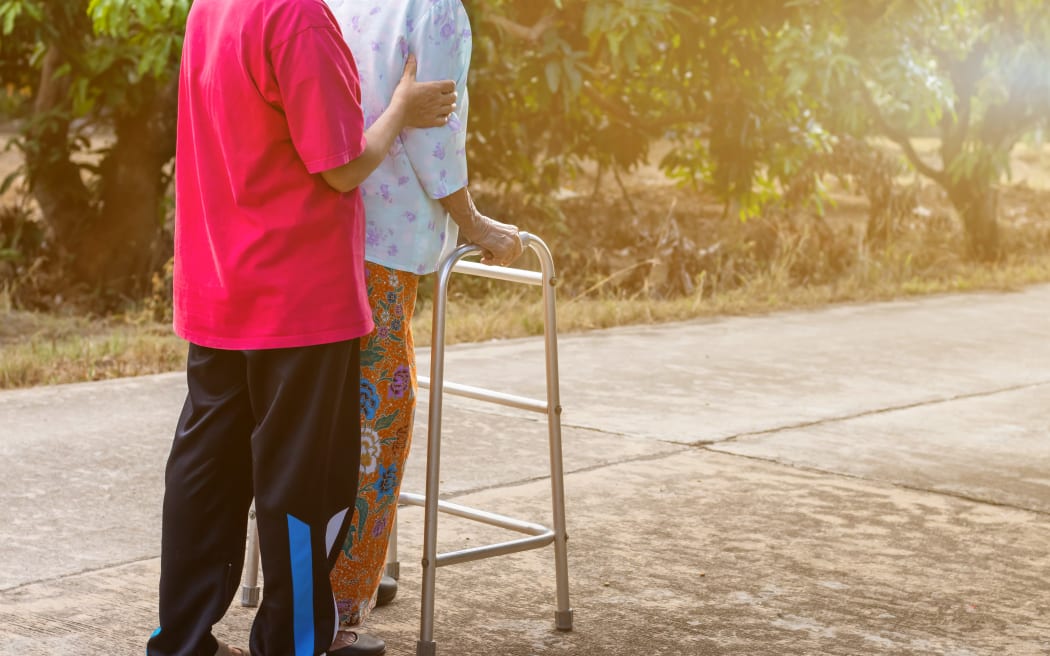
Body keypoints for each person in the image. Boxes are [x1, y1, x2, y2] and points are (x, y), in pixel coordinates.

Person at [146, 0, 457, 654]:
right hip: (299, 299)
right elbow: (340, 166)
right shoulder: (299, 18)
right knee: (305, 482)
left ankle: (181, 638)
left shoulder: (213, 6)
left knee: (205, 469)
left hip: (219, 283)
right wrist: (400, 109)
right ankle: (293, 644)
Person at [323, 1, 524, 653]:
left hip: (322, 226)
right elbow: (432, 135)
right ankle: (339, 603)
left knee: (322, 414)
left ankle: (341, 572)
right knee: (382, 418)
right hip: (384, 241)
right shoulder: (434, 8)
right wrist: (476, 224)